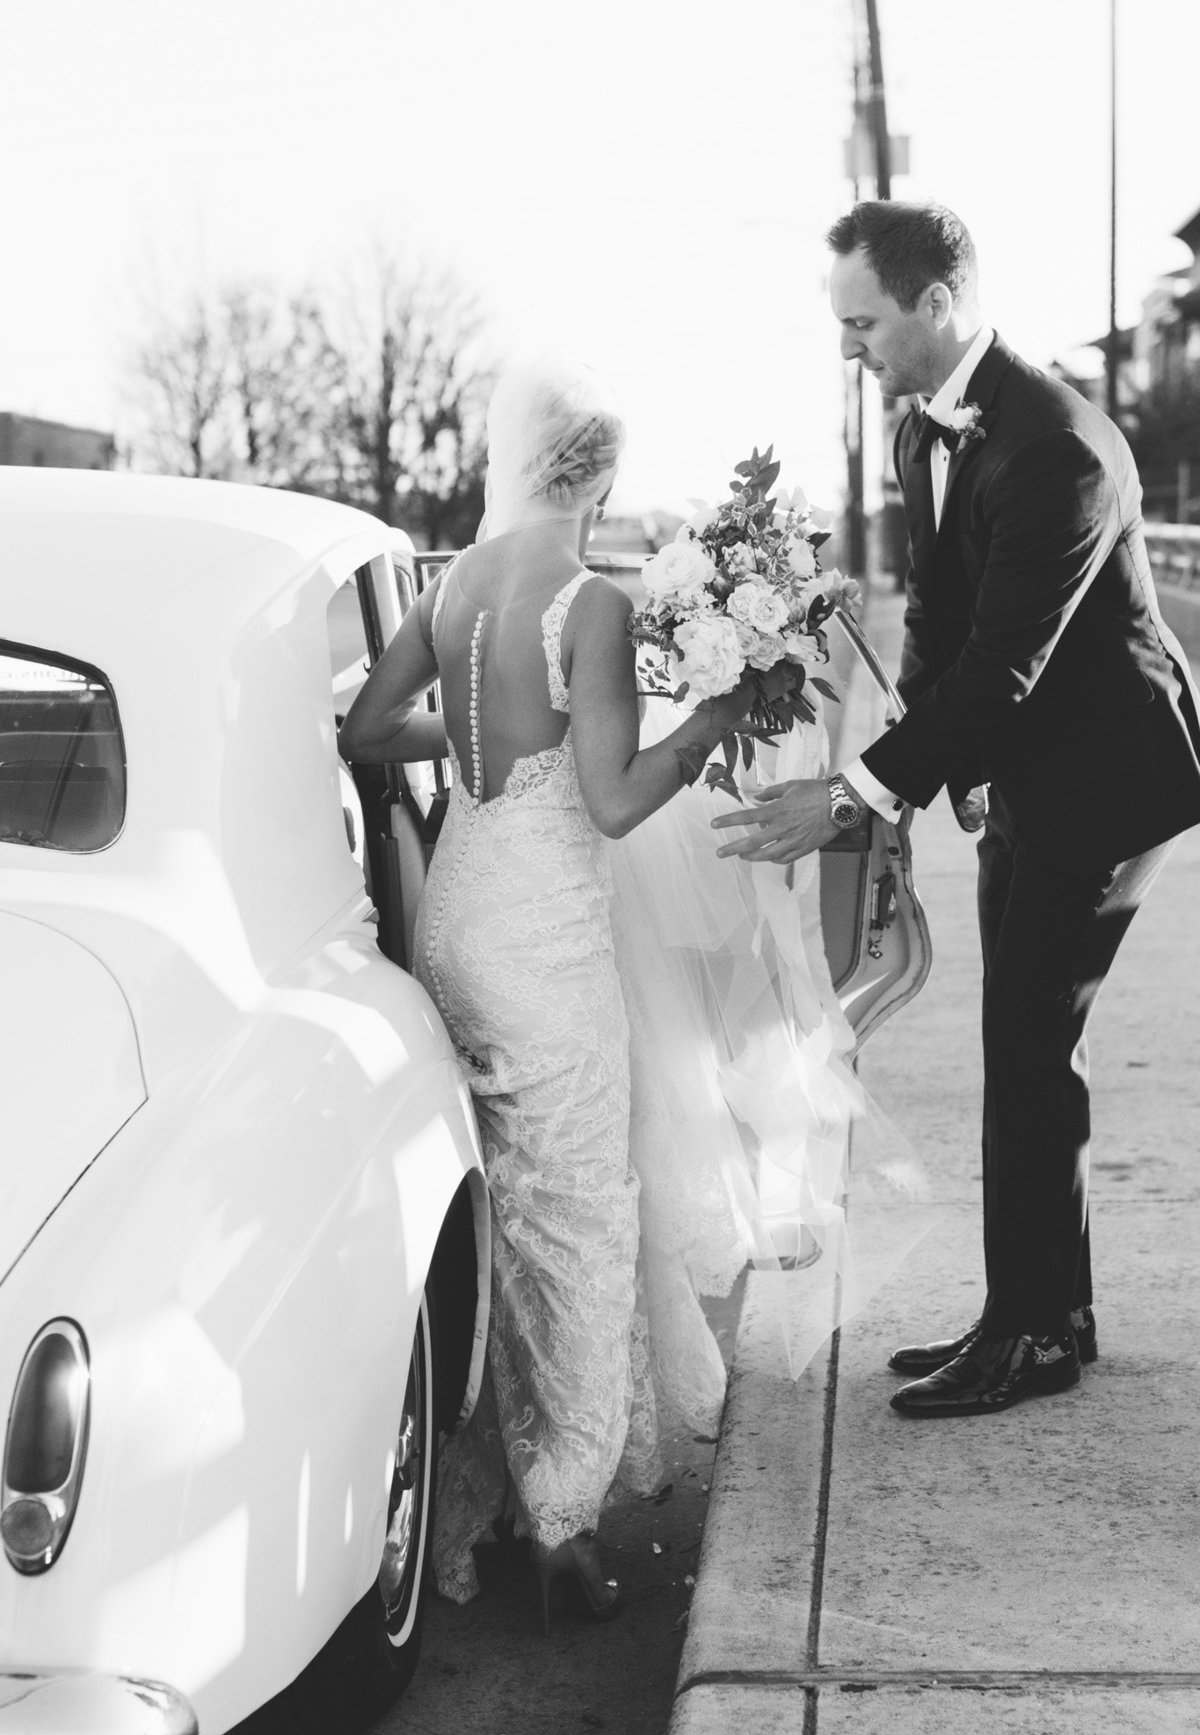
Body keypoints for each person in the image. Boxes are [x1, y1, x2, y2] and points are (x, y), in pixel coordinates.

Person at [338, 360, 868, 1627]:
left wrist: (489, 753)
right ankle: (561, 1521)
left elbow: (366, 731)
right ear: (600, 479)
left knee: (501, 1201)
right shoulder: (590, 603)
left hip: (458, 916)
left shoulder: (453, 583)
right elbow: (618, 801)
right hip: (546, 942)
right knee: (575, 1211)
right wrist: (716, 718)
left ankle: (506, 1480)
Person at [714, 199, 1200, 1418]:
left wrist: (859, 792)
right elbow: (940, 625)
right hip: (1027, 771)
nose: (848, 345)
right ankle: (1049, 1312)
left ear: (936, 303)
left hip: (1109, 780)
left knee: (1027, 1040)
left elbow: (1006, 666)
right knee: (1028, 1042)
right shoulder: (918, 433)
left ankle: (1028, 1335)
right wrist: (918, 780)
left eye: (863, 322)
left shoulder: (1057, 449)